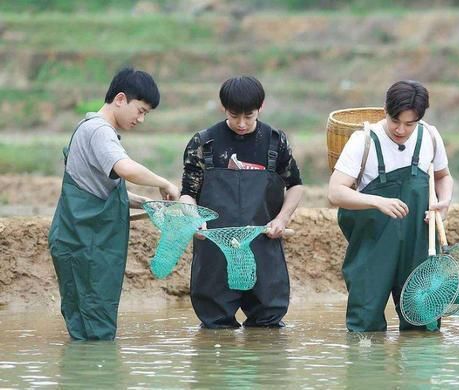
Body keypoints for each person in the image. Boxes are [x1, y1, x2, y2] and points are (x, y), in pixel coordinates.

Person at [48, 67, 181, 341]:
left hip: (83, 246)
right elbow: (126, 169)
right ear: (120, 99)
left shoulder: (87, 128)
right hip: (85, 248)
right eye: (141, 110)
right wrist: (164, 182)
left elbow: (101, 192)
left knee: (86, 333)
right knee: (97, 334)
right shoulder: (99, 131)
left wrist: (148, 204)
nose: (141, 119)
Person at [327, 80, 453, 332]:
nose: (401, 130)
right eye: (395, 121)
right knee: (365, 324)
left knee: (423, 321)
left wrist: (443, 203)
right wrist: (377, 201)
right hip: (373, 246)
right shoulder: (363, 141)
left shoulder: (429, 136)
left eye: (410, 123)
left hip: (419, 243)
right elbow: (335, 192)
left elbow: (443, 176)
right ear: (385, 109)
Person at [180, 76, 304, 328]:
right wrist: (194, 219)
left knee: (268, 325)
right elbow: (188, 192)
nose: (241, 123)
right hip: (214, 248)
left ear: (262, 107)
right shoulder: (204, 143)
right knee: (215, 326)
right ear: (223, 108)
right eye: (235, 115)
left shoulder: (275, 141)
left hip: (262, 244)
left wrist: (281, 219)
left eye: (249, 116)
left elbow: (295, 186)